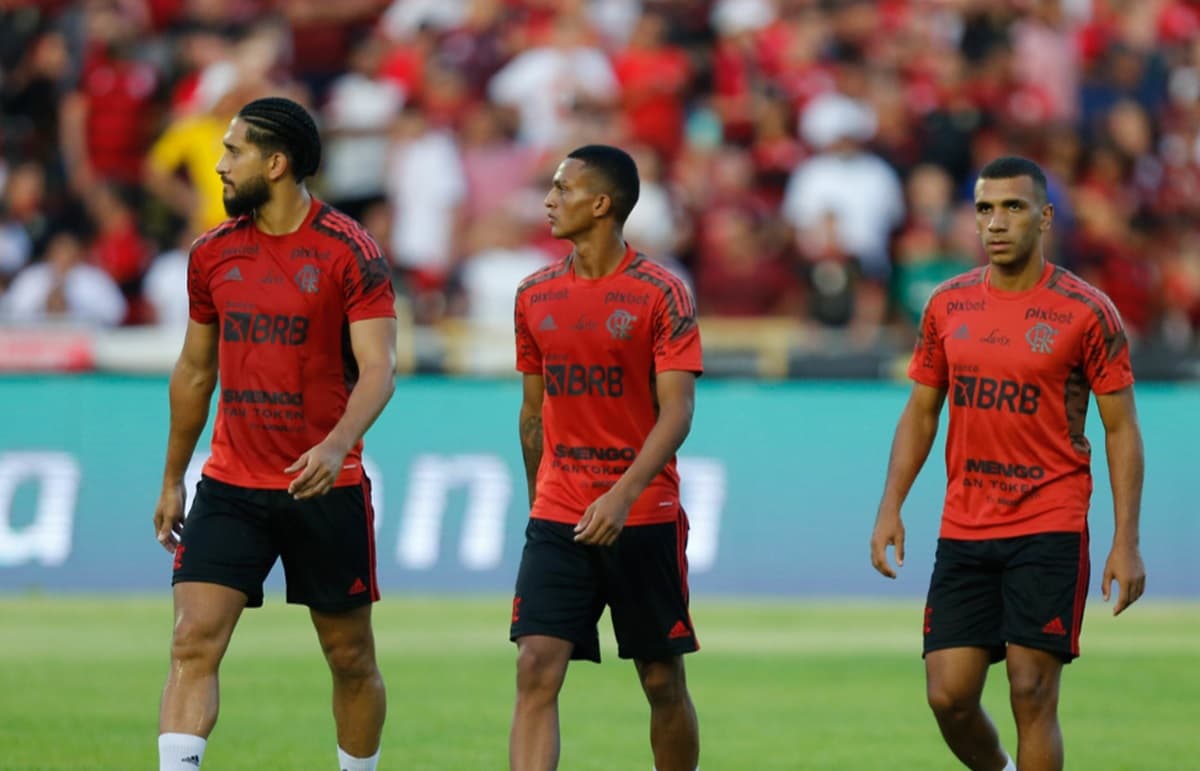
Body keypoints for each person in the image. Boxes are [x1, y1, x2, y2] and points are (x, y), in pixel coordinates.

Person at [869, 156, 1146, 771]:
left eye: (1013, 207)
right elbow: (921, 412)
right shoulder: (948, 304)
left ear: (1044, 218)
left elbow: (1122, 429)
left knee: (1031, 690)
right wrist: (891, 506)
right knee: (949, 696)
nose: (996, 222)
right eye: (985, 209)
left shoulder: (1087, 311)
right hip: (965, 524)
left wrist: (1125, 540)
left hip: (1050, 521)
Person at [151, 96, 397, 771]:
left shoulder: (351, 251)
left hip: (324, 486)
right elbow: (195, 371)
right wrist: (172, 477)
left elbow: (380, 368)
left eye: (234, 151)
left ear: (277, 163)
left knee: (350, 656)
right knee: (192, 640)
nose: (220, 164)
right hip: (229, 484)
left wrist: (337, 445)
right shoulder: (212, 253)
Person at [509, 144, 703, 771]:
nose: (549, 200)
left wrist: (620, 496)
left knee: (660, 679)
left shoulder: (662, 293)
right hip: (560, 513)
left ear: (601, 203)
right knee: (536, 665)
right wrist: (540, 502)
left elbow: (677, 412)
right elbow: (533, 412)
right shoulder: (533, 294)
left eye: (562, 189)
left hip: (641, 513)